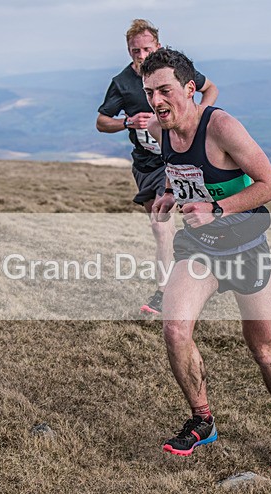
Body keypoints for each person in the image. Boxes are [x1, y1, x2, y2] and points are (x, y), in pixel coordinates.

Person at [143, 48, 271, 470]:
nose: (156, 101)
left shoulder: (222, 126)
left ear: (190, 89)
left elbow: (270, 185)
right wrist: (170, 197)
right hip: (200, 250)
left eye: (165, 91)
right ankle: (202, 420)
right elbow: (189, 180)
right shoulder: (164, 130)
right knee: (175, 329)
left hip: (246, 248)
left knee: (264, 350)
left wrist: (216, 209)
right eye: (149, 92)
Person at [96, 19, 219, 314]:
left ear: (158, 46)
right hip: (148, 164)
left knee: (193, 219)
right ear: (128, 51)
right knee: (160, 225)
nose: (140, 55)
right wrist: (126, 122)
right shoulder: (123, 83)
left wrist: (200, 120)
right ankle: (174, 288)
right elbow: (101, 122)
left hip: (180, 155)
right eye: (134, 50)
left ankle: (174, 289)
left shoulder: (173, 70)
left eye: (146, 48)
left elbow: (209, 88)